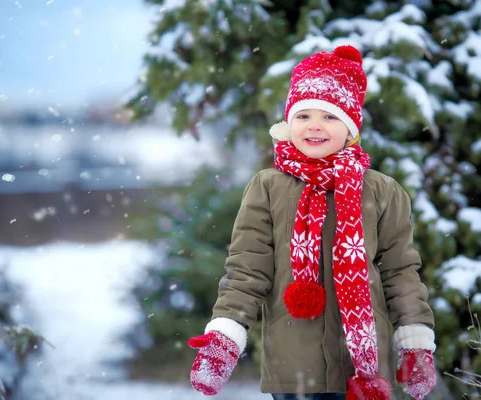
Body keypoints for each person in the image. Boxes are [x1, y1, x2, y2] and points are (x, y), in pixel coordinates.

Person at [187, 45, 437, 400]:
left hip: (363, 366)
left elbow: (400, 272)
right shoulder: (267, 187)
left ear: (350, 128)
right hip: (293, 361)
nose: (315, 126)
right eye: (303, 116)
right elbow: (247, 268)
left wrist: (415, 341)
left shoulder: (382, 191)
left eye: (330, 117)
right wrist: (225, 337)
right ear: (288, 124)